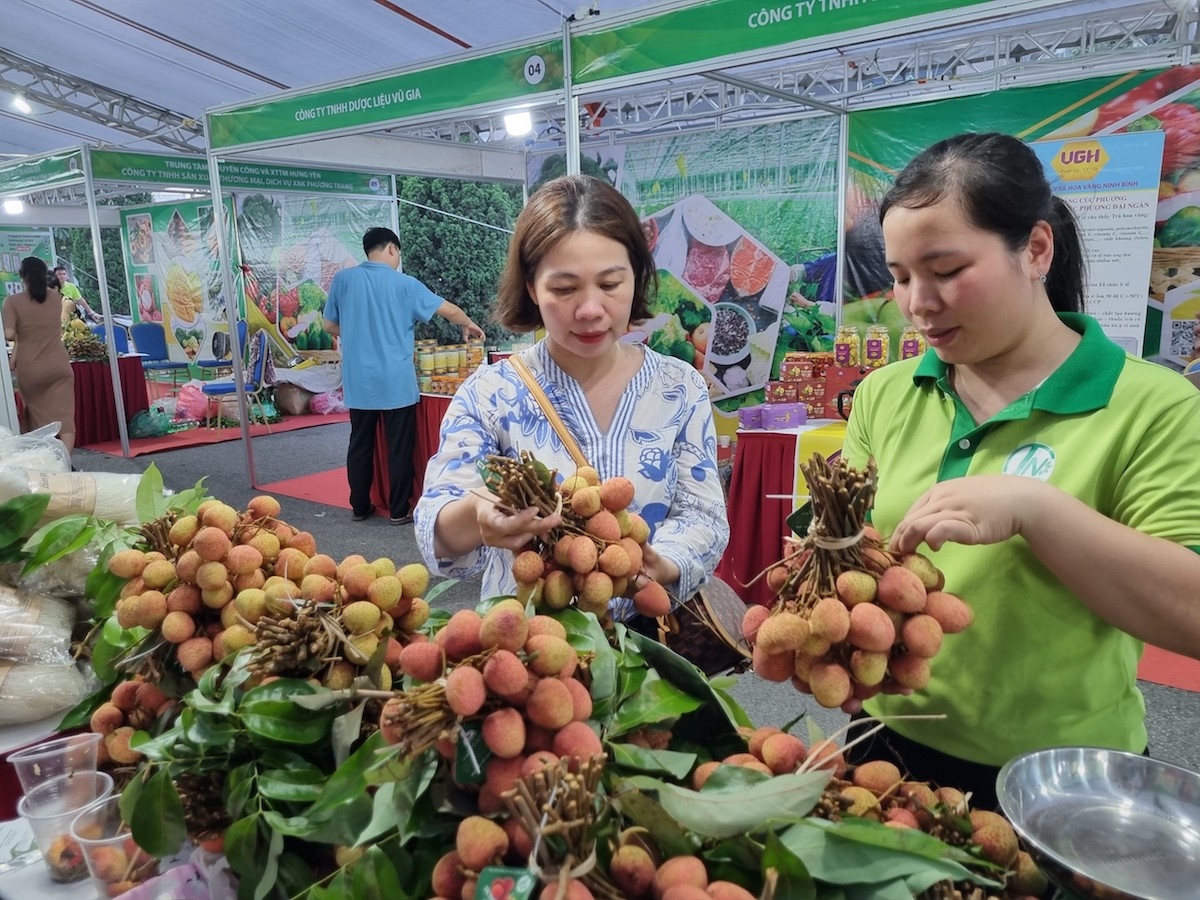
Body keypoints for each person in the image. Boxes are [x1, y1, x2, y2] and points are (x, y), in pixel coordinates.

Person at [840, 132, 1200, 809]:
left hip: (1065, 780)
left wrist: (1037, 509)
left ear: (1035, 249)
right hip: (883, 748)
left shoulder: (1155, 406)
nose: (918, 303)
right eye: (901, 276)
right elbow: (846, 546)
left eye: (946, 270)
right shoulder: (884, 393)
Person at [414, 175, 729, 618]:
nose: (590, 310)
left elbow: (703, 514)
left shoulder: (680, 387)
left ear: (636, 278)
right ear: (531, 287)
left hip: (649, 644)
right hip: (528, 641)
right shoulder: (489, 395)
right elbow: (437, 524)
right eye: (564, 289)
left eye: (610, 284)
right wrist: (479, 516)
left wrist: (662, 562)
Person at [322, 227, 483, 525]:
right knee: (399, 447)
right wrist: (468, 323)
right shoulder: (405, 284)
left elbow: (329, 326)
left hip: (359, 382)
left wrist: (357, 331)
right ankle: (398, 511)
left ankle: (360, 507)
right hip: (396, 382)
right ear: (392, 249)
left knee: (360, 444)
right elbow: (448, 310)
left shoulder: (343, 280)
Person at [3, 257, 76, 453]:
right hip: (59, 365)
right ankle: (65, 461)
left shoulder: (12, 302)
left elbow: (9, 334)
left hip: (31, 368)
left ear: (21, 275)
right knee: (66, 417)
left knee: (35, 417)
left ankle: (43, 460)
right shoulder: (56, 298)